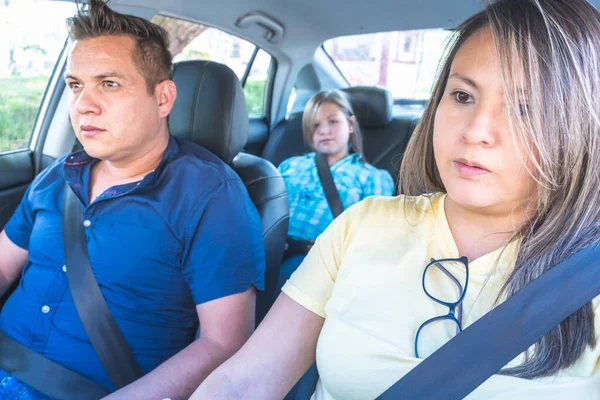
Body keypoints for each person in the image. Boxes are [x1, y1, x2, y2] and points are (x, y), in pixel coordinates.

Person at [190, 0, 600, 398]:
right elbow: (243, 383)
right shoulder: (362, 225)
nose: (476, 130)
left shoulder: (587, 274)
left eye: (526, 108)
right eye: (462, 96)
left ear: (579, 124)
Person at [0, 1, 265, 399]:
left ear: (162, 99)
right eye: (75, 85)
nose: (82, 105)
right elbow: (3, 268)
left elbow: (224, 343)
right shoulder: (57, 176)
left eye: (109, 83)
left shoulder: (212, 197)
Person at [277, 90, 394, 289]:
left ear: (350, 124)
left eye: (332, 122)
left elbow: (374, 233)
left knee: (293, 276)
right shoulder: (289, 166)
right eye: (315, 125)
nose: (323, 130)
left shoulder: (371, 176)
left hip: (321, 259)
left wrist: (334, 249)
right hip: (272, 248)